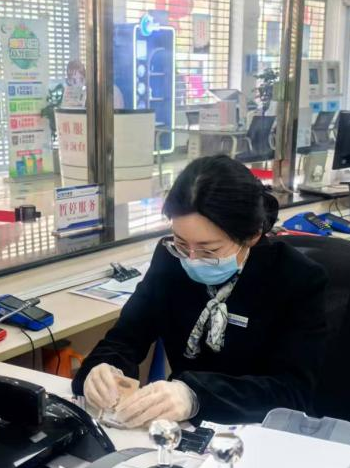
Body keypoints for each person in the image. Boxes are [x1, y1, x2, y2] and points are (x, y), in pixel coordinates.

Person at [72, 156, 328, 428]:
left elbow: (293, 392)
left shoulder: (296, 278)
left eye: (209, 250)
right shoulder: (170, 260)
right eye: (181, 243)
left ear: (252, 235)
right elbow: (125, 338)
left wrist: (194, 395)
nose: (191, 259)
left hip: (259, 433)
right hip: (184, 430)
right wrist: (102, 370)